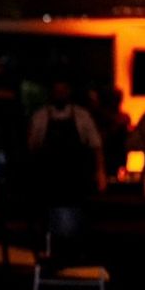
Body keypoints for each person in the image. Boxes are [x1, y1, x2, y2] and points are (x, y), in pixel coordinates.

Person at [27, 77, 106, 263]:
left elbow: (96, 146)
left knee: (75, 226)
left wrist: (100, 172)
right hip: (49, 183)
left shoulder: (82, 116)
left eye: (63, 90)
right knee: (50, 226)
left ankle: (75, 258)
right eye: (57, 91)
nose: (60, 94)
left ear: (69, 92)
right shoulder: (40, 117)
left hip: (75, 183)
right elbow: (32, 147)